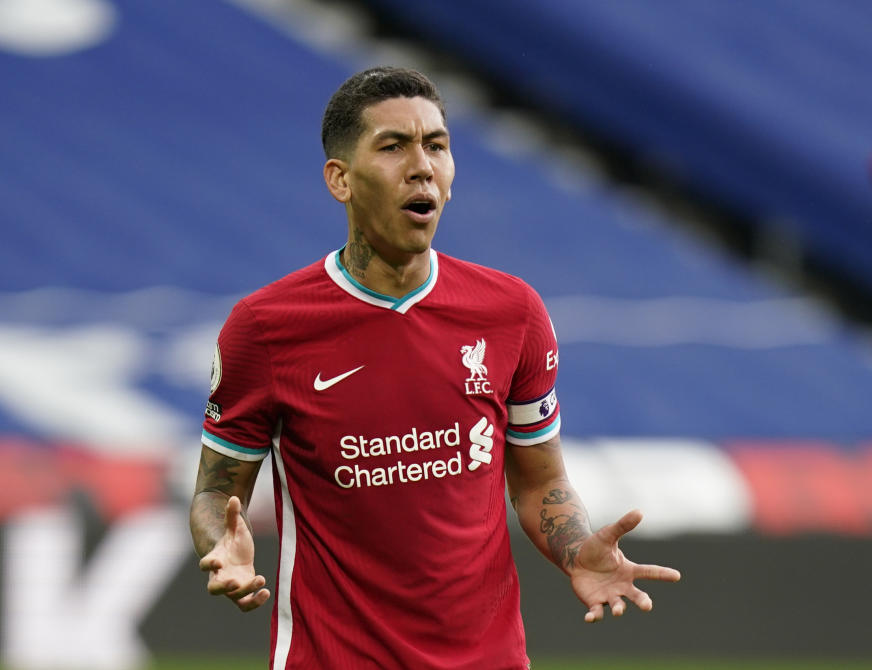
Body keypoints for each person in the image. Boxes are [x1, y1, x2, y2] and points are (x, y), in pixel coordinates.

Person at [189, 66, 680, 669]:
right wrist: (224, 549)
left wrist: (576, 550)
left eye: (437, 145)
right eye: (393, 146)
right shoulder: (265, 328)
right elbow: (217, 490)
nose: (421, 165)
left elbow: (538, 481)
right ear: (340, 180)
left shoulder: (511, 312)